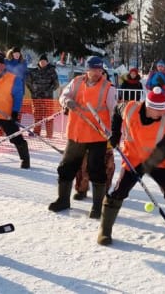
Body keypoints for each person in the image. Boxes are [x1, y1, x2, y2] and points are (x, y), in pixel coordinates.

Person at [97, 86, 165, 245]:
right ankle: (104, 232)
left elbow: (163, 151)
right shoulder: (130, 108)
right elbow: (117, 110)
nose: (162, 113)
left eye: (164, 110)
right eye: (158, 110)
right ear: (148, 106)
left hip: (159, 162)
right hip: (133, 157)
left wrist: (144, 167)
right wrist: (116, 134)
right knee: (118, 191)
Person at [48, 56, 116, 219]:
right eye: (93, 69)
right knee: (66, 167)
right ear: (87, 69)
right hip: (76, 134)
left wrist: (113, 133)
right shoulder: (76, 82)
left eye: (99, 69)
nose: (96, 72)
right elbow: (63, 96)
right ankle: (63, 200)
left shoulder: (108, 88)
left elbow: (115, 112)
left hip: (97, 136)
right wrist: (67, 102)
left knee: (96, 170)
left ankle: (97, 206)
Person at [72, 68, 115, 201]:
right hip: (85, 133)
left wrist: (114, 131)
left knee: (106, 166)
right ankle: (81, 189)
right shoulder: (82, 86)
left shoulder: (110, 90)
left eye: (103, 75)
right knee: (83, 164)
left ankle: (104, 191)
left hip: (104, 135)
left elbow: (114, 112)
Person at [0, 55, 30, 169]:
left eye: (1, 64)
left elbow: (18, 96)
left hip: (7, 114)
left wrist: (15, 112)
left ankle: (25, 159)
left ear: (4, 65)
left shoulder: (13, 78)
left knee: (15, 137)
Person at [25, 54, 60, 138]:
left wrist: (48, 90)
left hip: (47, 98)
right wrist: (33, 90)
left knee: (49, 117)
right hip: (36, 98)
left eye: (44, 61)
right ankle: (36, 132)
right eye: (41, 61)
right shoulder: (33, 72)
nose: (43, 63)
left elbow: (56, 84)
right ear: (39, 62)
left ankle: (49, 134)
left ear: (47, 62)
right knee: (37, 115)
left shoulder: (51, 71)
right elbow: (28, 82)